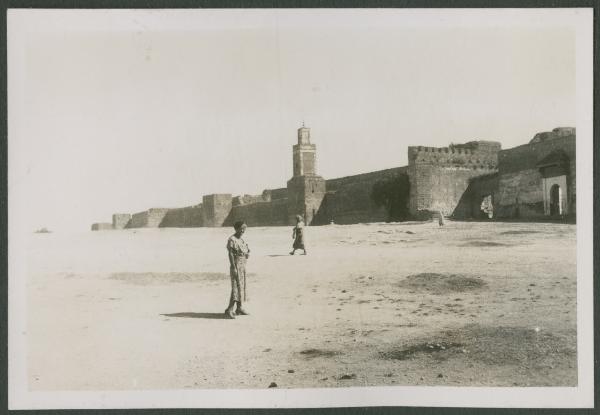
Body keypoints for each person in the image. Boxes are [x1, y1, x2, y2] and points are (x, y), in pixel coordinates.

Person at [225, 221, 250, 319]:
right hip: (236, 265)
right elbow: (230, 254)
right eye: (241, 228)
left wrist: (247, 254)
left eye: (244, 229)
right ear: (237, 229)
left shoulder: (241, 240)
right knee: (235, 287)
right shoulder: (232, 239)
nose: (243, 231)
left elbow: (245, 251)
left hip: (242, 266)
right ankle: (229, 309)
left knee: (242, 286)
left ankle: (239, 308)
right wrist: (234, 267)